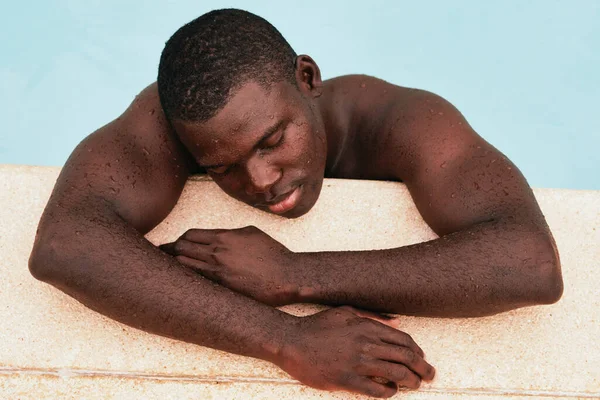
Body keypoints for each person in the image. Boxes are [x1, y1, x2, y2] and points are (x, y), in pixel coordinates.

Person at [28, 8, 563, 398]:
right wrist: (284, 339)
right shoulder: (175, 120)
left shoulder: (402, 119)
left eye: (272, 141)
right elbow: (66, 244)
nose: (260, 180)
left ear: (307, 79)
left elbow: (529, 262)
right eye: (221, 167)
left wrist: (295, 273)